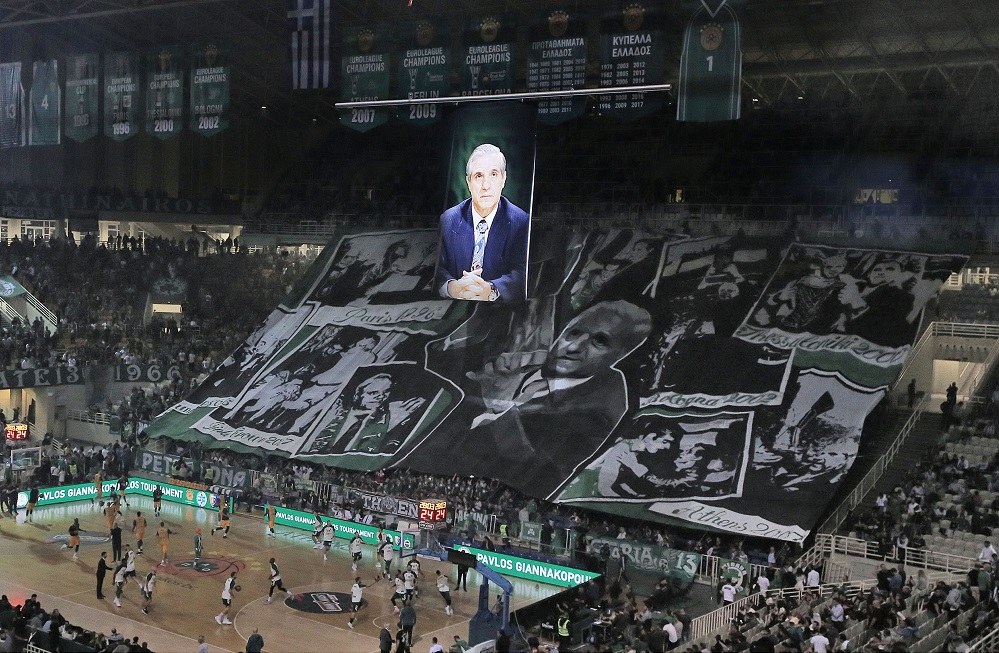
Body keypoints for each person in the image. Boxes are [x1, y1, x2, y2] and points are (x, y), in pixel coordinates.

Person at [452, 300, 652, 496]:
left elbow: (537, 472)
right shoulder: (513, 363)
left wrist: (500, 404)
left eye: (599, 342)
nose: (573, 347)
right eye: (574, 332)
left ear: (620, 354)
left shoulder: (599, 414)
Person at [436, 143, 530, 303]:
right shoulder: (448, 220)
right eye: (479, 176)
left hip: (501, 311)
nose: (486, 186)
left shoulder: (522, 222)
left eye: (493, 174)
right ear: (468, 182)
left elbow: (523, 272)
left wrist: (492, 290)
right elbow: (435, 267)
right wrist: (452, 287)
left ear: (503, 179)